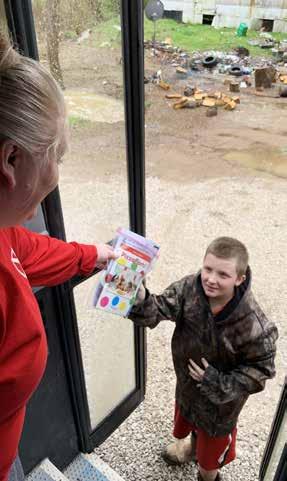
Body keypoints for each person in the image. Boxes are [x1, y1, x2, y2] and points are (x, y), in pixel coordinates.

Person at [0, 37, 117, 481]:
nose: (57, 174)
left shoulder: (3, 228)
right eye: (57, 156)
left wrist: (92, 256)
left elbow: (26, 250)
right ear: (11, 158)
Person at [129, 237, 278, 481]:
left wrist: (213, 380)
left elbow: (260, 372)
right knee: (190, 425)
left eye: (223, 274)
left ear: (240, 279)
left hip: (219, 410)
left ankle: (207, 475)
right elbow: (159, 309)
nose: (211, 279)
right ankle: (190, 450)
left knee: (209, 461)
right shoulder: (189, 288)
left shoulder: (254, 325)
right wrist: (140, 298)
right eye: (208, 269)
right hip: (188, 388)